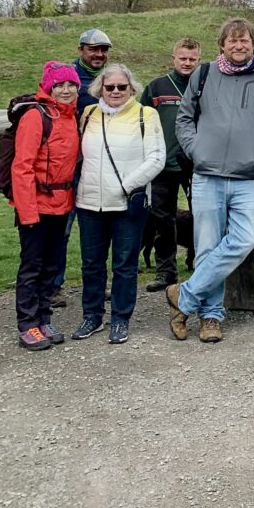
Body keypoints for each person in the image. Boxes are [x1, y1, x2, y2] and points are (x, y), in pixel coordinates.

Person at [169, 17, 254, 344]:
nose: (239, 46)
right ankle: (210, 317)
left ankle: (184, 297)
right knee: (207, 247)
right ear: (222, 45)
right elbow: (184, 119)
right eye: (232, 41)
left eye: (244, 40)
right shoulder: (203, 74)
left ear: (253, 44)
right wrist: (197, 151)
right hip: (207, 176)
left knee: (244, 240)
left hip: (249, 179)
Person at [72, 64, 166, 345]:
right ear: (100, 88)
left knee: (124, 264)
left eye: (121, 87)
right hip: (90, 203)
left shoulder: (145, 115)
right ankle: (92, 315)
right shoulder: (88, 114)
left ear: (131, 88)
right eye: (109, 86)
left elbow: (156, 157)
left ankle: (121, 318)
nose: (114, 91)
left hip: (127, 204)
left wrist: (126, 186)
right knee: (91, 264)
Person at [11, 62, 83, 350]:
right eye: (59, 85)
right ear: (48, 87)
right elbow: (22, 167)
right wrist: (27, 212)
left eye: (71, 85)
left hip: (62, 204)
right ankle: (27, 324)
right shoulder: (35, 117)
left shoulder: (71, 116)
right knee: (32, 266)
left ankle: (44, 319)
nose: (66, 90)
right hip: (36, 205)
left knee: (52, 265)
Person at [48, 26, 113, 308]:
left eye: (103, 49)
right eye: (93, 49)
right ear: (81, 50)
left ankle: (97, 282)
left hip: (102, 165)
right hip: (69, 166)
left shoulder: (112, 78)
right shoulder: (68, 79)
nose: (98, 54)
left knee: (101, 228)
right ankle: (52, 285)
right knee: (60, 228)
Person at [140, 37, 201, 293]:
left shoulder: (206, 86)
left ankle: (202, 268)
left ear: (199, 60)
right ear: (173, 58)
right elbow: (140, 122)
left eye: (192, 59)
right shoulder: (157, 87)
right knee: (163, 220)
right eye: (183, 58)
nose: (187, 63)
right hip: (162, 165)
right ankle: (166, 271)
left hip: (196, 164)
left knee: (203, 218)